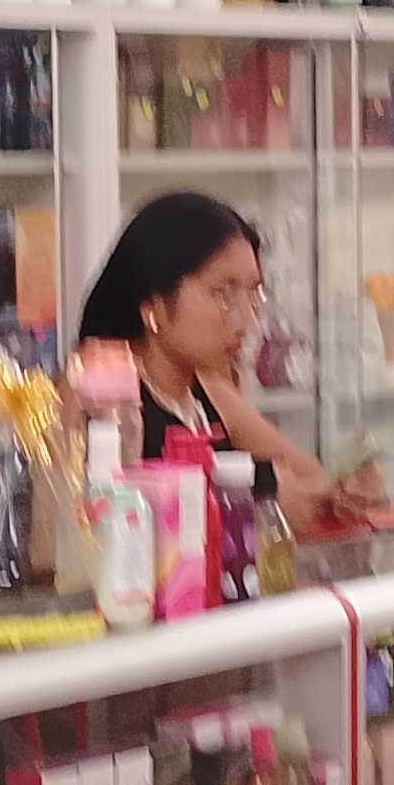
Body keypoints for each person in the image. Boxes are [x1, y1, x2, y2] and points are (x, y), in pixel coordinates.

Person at [75, 190, 365, 536]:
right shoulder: (97, 386)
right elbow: (93, 529)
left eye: (253, 295)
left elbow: (310, 479)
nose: (246, 322)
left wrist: (346, 488)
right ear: (154, 305)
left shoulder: (207, 391)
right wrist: (260, 505)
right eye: (223, 295)